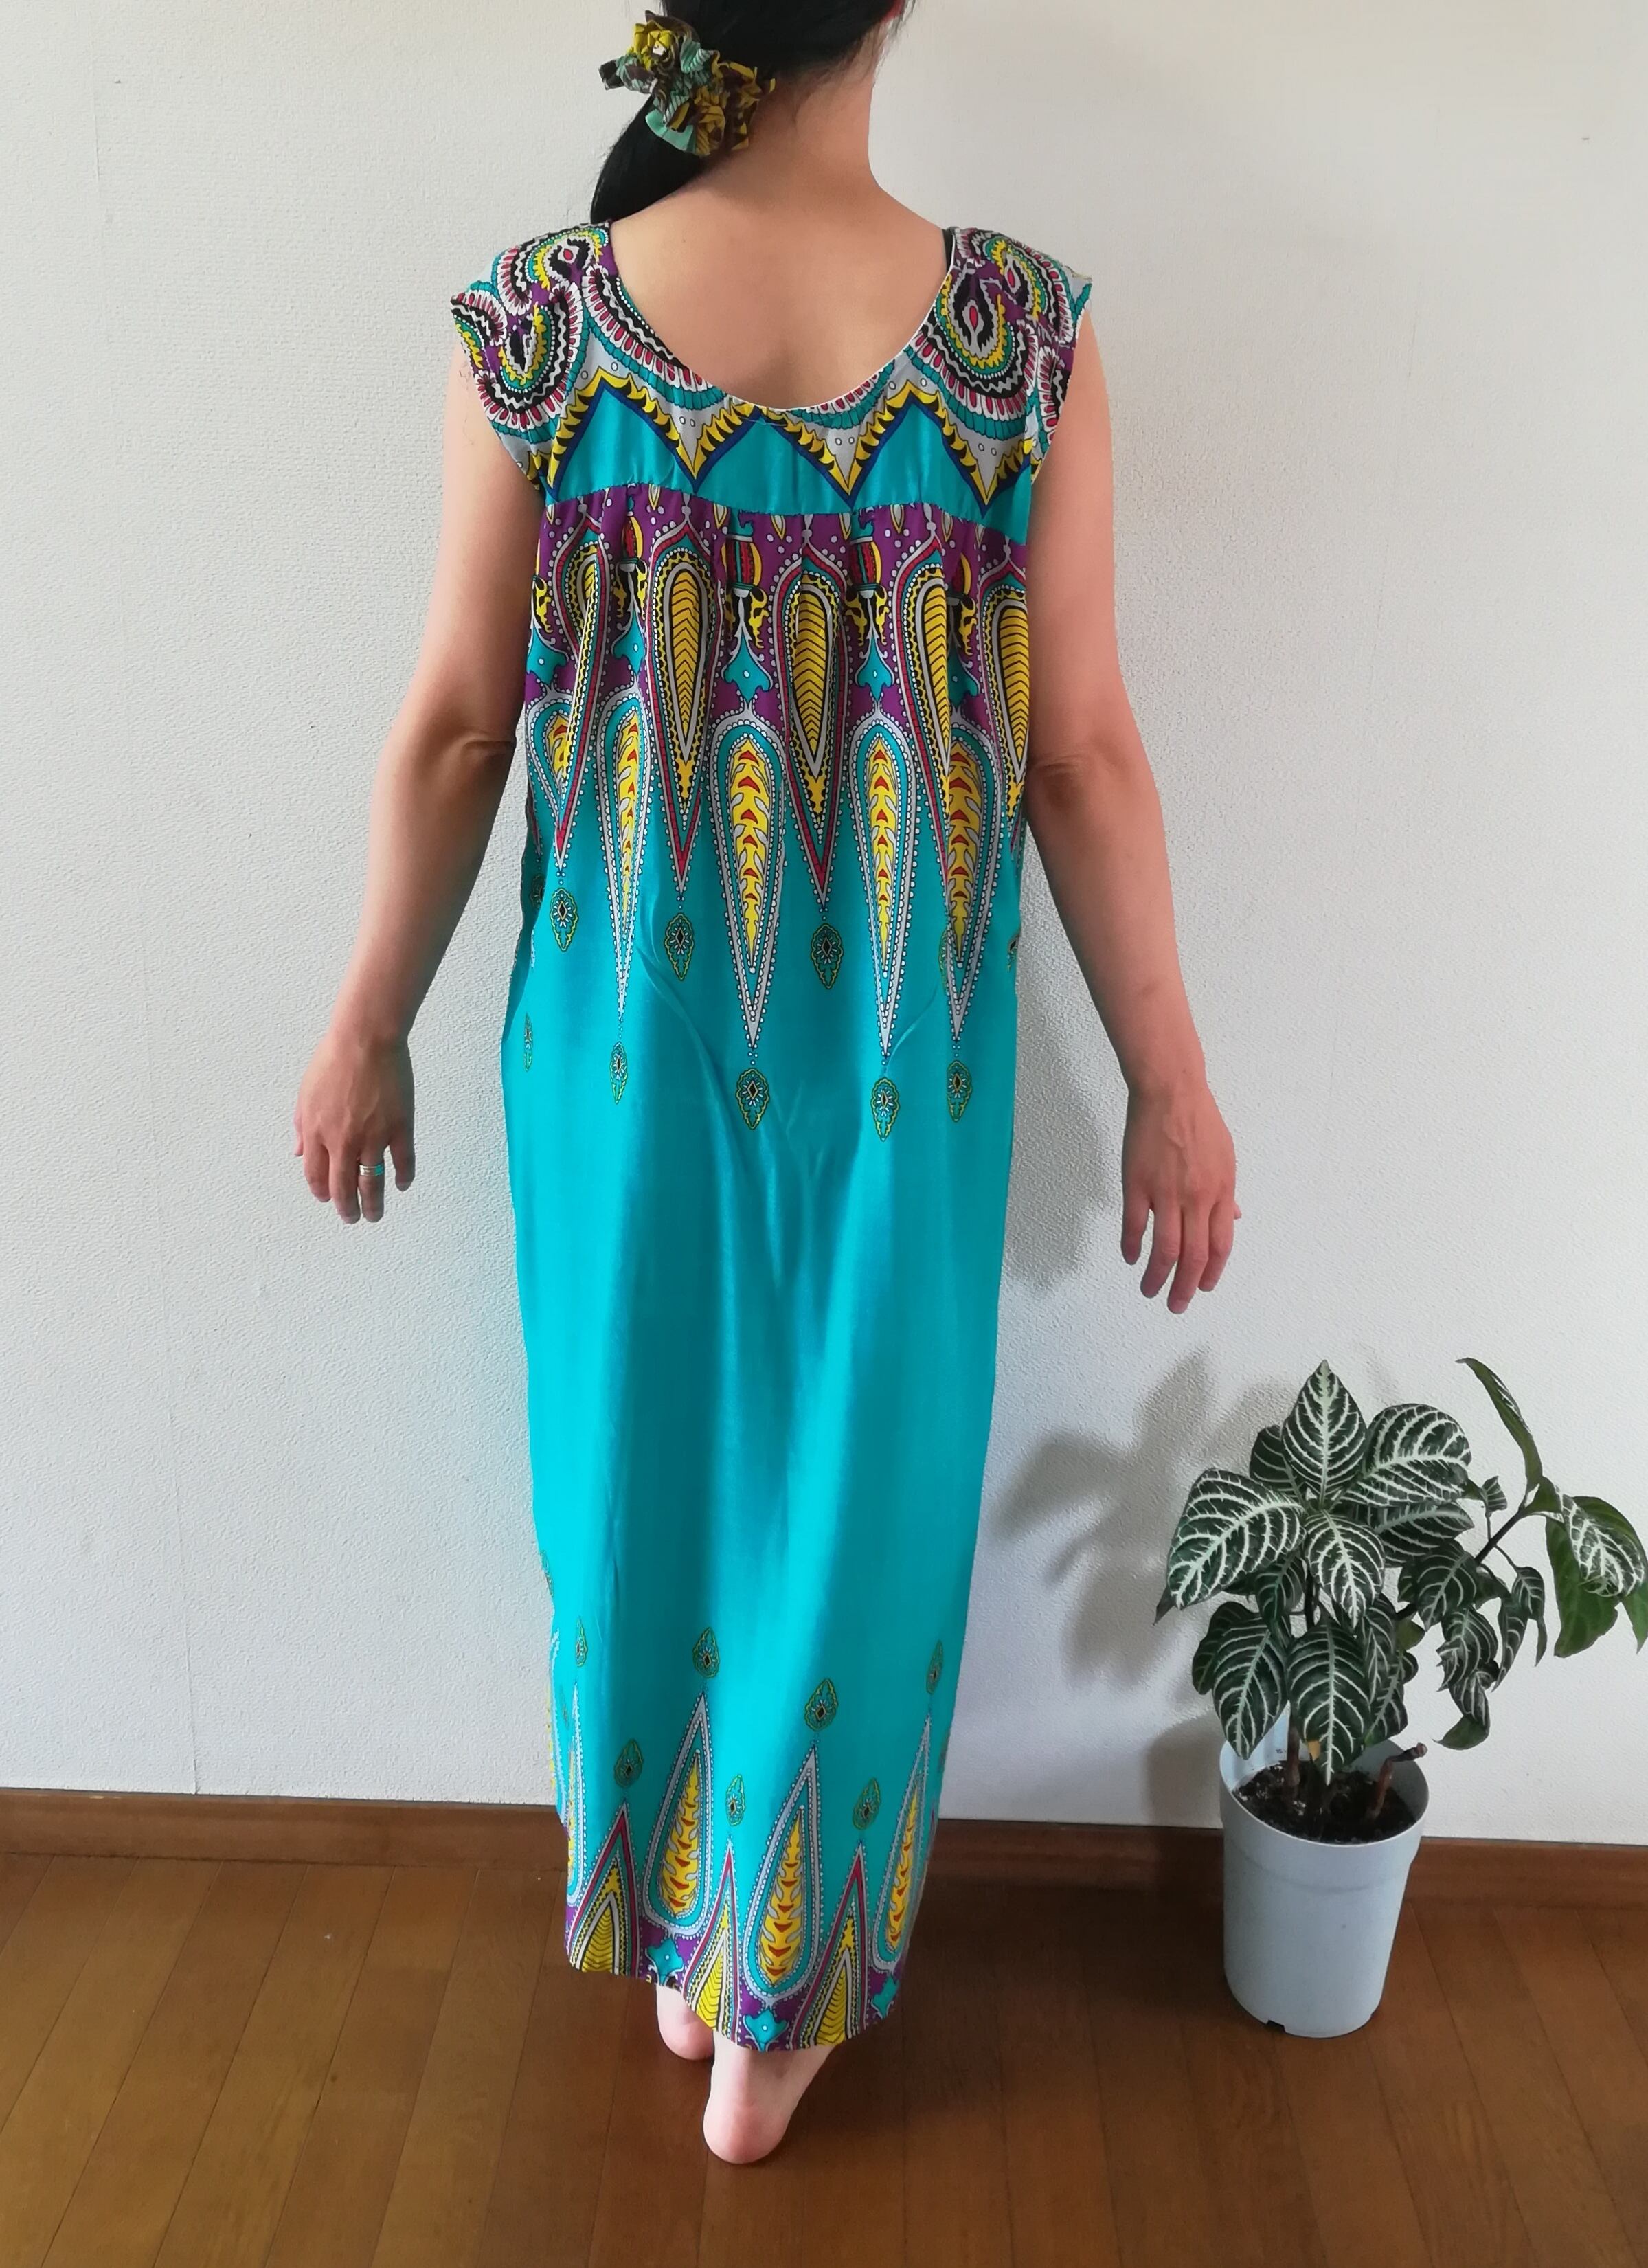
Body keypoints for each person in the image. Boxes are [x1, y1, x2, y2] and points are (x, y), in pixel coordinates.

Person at [293, 0, 1238, 2166]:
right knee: (856, 1491)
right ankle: (771, 1995)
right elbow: (1086, 757)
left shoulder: (541, 326)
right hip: (898, 1072)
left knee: (635, 1468)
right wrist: (1170, 1076)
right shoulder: (1018, 346)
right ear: (893, 7)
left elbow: (454, 729)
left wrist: (366, 1020)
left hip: (617, 1061)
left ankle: (694, 1935)